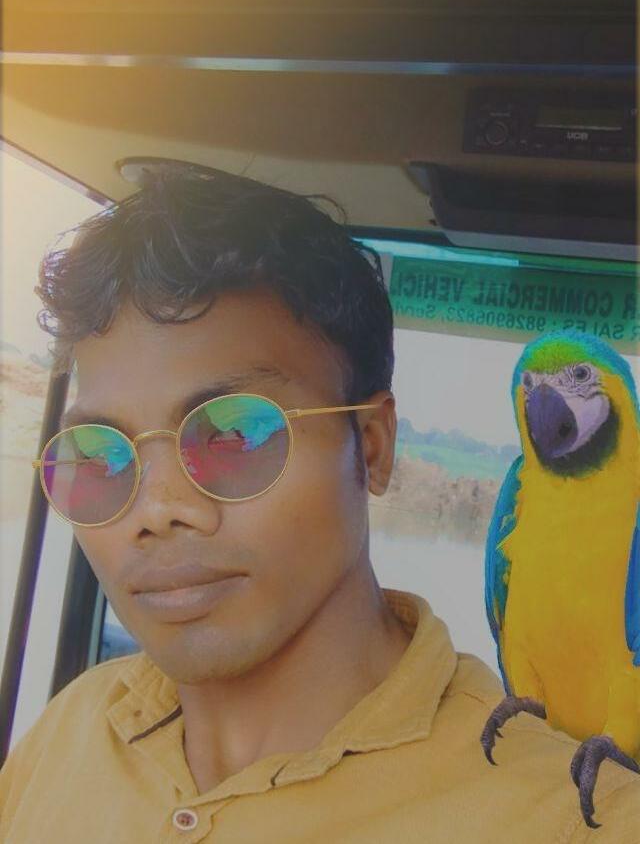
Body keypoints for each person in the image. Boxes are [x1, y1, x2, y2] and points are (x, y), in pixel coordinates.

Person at [0, 168, 638, 844]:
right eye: (98, 455)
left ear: (372, 448)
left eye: (237, 435)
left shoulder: (578, 819)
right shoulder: (65, 734)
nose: (154, 510)